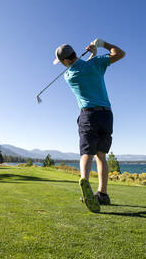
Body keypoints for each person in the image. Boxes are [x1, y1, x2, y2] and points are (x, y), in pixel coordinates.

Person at [53, 39, 125, 212]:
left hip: (89, 115)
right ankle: (103, 194)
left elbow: (82, 68)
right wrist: (101, 45)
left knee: (87, 153)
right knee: (101, 155)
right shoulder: (96, 64)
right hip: (106, 115)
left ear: (65, 61)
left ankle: (84, 181)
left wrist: (93, 54)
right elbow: (119, 54)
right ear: (75, 54)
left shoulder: (68, 76)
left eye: (61, 63)